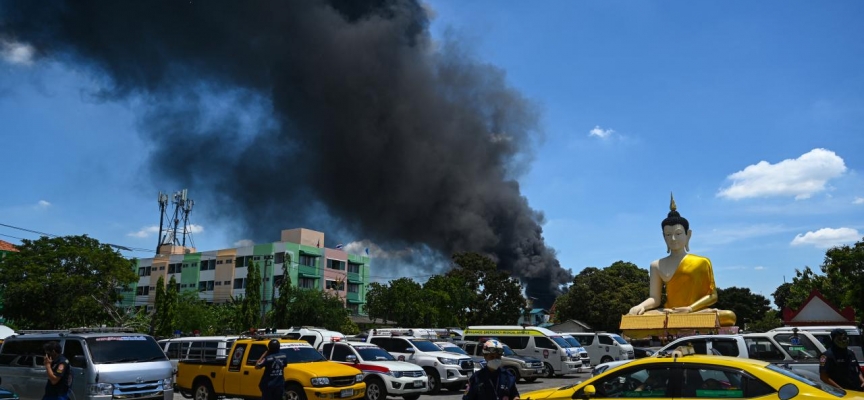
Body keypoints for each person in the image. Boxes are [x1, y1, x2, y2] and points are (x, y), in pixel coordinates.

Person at [627, 195, 736, 326]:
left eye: (678, 234)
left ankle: (684, 318)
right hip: (669, 312)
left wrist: (690, 309)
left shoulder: (702, 262)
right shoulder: (656, 265)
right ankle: (678, 320)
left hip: (695, 311)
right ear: (663, 237)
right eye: (668, 235)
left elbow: (713, 296)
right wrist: (641, 306)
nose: (673, 239)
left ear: (688, 235)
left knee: (729, 316)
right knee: (632, 319)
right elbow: (655, 299)